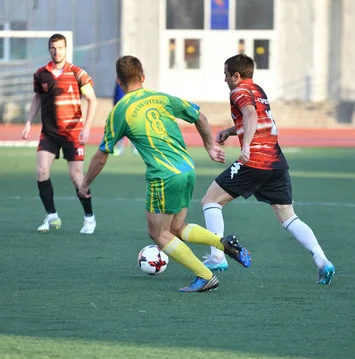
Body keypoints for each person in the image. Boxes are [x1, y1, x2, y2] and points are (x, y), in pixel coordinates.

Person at [78, 55, 252, 292]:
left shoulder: (120, 110)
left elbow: (102, 154)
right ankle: (222, 243)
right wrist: (210, 146)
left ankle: (205, 275)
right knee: (177, 228)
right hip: (187, 169)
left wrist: (86, 183)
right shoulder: (161, 97)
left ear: (119, 82)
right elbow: (200, 116)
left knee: (158, 233)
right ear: (143, 77)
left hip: (164, 176)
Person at [200, 53, 336, 284]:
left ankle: (217, 256)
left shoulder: (238, 90)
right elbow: (258, 118)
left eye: (226, 75)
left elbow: (250, 115)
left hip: (255, 160)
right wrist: (229, 131)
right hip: (276, 161)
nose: (224, 80)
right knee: (288, 217)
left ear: (236, 75)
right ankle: (323, 261)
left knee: (210, 201)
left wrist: (245, 146)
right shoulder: (258, 90)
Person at [21, 33, 98, 234]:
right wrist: (29, 122)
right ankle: (52, 217)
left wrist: (87, 128)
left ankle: (89, 218)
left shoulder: (77, 73)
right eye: (53, 48)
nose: (57, 51)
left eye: (60, 47)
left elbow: (92, 100)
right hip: (49, 133)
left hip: (73, 133)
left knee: (76, 177)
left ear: (66, 49)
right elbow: (37, 98)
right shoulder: (40, 74)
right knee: (41, 171)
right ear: (49, 49)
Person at [112, 80, 137, 156]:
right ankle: (120, 148)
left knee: (132, 127)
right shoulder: (118, 81)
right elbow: (116, 95)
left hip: (129, 107)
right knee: (119, 128)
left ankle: (135, 147)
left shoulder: (130, 80)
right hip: (120, 108)